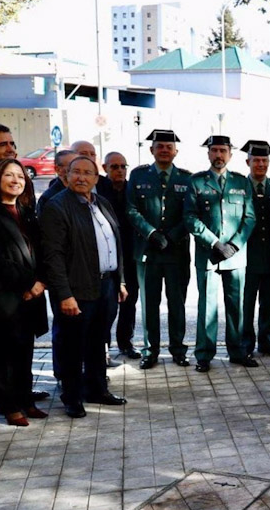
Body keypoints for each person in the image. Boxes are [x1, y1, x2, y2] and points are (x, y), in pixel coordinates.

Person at [39, 155, 127, 418]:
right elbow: (52, 256)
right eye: (75, 172)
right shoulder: (57, 206)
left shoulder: (102, 203)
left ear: (96, 178)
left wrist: (120, 279)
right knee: (72, 347)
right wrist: (64, 295)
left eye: (87, 173)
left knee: (98, 342)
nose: (81, 177)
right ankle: (72, 396)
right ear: (65, 175)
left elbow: (114, 243)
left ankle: (97, 389)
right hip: (76, 290)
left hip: (106, 286)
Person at [0, 159, 48, 427]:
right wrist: (28, 284)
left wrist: (41, 282)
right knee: (2, 354)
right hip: (2, 296)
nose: (16, 180)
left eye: (21, 175)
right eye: (9, 175)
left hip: (31, 296)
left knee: (24, 350)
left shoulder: (26, 211)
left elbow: (41, 251)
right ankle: (10, 406)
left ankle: (25, 399)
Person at [185, 136, 256, 372]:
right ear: (208, 154)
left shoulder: (241, 182)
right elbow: (190, 218)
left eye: (223, 151)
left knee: (236, 306)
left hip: (235, 257)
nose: (218, 155)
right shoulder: (196, 182)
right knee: (208, 307)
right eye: (214, 150)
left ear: (230, 154)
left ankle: (237, 351)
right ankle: (204, 355)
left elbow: (249, 217)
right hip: (209, 256)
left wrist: (234, 245)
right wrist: (215, 243)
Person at [126, 129, 192, 369]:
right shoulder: (138, 175)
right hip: (148, 252)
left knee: (177, 303)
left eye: (169, 146)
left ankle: (178, 349)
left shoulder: (186, 178)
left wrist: (172, 236)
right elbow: (131, 210)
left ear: (175, 151)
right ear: (152, 150)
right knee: (149, 304)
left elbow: (191, 214)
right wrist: (152, 233)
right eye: (160, 146)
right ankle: (150, 351)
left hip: (176, 252)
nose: (164, 150)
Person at [240, 140, 270, 358]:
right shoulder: (239, 186)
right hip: (246, 257)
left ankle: (266, 341)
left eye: (264, 160)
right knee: (246, 304)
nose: (260, 164)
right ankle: (246, 344)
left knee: (269, 303)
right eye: (256, 160)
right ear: (248, 161)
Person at [98, 151, 138, 360]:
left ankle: (126, 343)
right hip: (107, 256)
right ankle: (103, 347)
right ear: (105, 168)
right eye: (114, 167)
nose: (120, 171)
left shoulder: (132, 188)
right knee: (106, 305)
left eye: (123, 166)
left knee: (129, 302)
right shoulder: (98, 189)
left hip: (130, 255)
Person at [36, 149, 78, 214]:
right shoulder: (49, 199)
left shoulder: (83, 193)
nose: (78, 170)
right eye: (72, 165)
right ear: (58, 169)